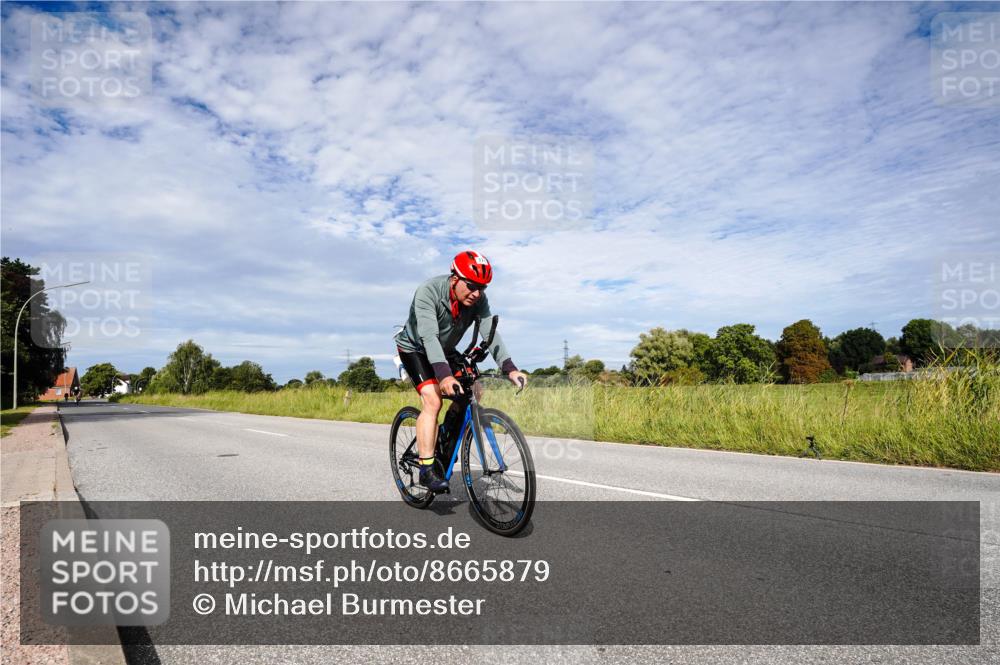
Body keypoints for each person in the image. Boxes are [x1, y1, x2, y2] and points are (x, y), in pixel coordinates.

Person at [395, 250, 528, 492]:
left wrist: (510, 368)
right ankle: (426, 469)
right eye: (471, 286)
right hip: (415, 348)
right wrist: (444, 375)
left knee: (473, 392)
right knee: (433, 400)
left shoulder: (478, 300)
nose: (476, 293)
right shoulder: (428, 291)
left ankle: (445, 442)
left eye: (482, 288)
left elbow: (490, 333)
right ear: (455, 278)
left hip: (445, 349)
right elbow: (429, 337)